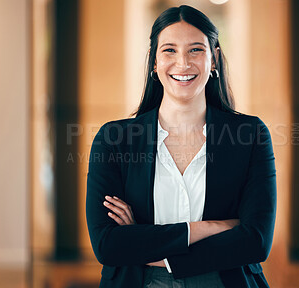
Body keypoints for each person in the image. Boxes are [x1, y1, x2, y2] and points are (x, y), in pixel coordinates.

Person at [86, 5, 276, 288]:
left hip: (223, 281)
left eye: (196, 50)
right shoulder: (114, 139)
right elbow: (108, 245)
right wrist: (211, 228)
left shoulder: (250, 134)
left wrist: (145, 242)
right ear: (154, 61)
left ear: (214, 60)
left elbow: (256, 242)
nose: (183, 63)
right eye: (169, 50)